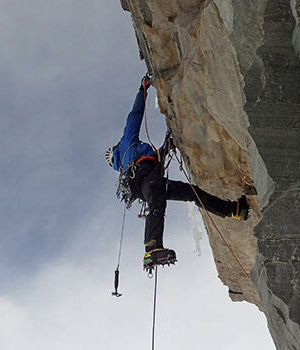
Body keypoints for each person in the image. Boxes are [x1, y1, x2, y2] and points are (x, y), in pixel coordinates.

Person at [106, 76, 249, 270]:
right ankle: (152, 249)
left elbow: (156, 159)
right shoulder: (126, 145)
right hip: (149, 181)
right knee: (157, 205)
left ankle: (233, 209)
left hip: (148, 182)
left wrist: (166, 147)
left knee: (191, 193)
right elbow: (134, 116)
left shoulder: (126, 164)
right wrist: (142, 91)